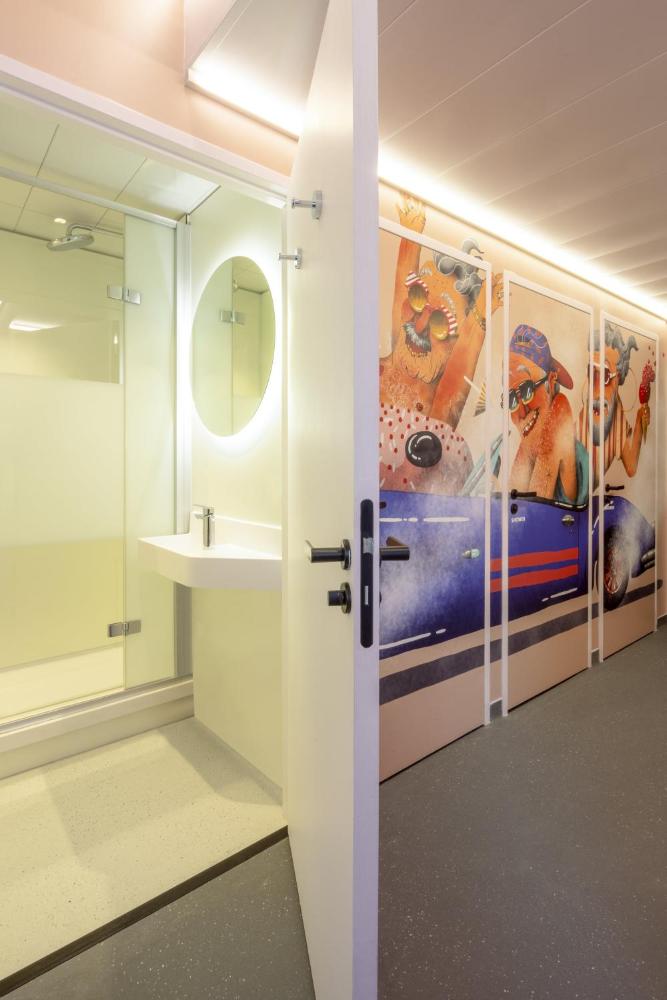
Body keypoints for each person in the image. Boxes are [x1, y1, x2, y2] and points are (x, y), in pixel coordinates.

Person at [508, 325, 587, 505]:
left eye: (527, 390)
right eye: (511, 398)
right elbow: (513, 504)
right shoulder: (530, 437)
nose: (520, 412)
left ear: (551, 382)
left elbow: (535, 509)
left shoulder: (560, 409)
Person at [578, 325, 650, 489]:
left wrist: (639, 420)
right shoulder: (589, 409)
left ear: (619, 377)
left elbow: (631, 467)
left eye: (604, 375)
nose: (596, 391)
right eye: (592, 373)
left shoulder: (615, 414)